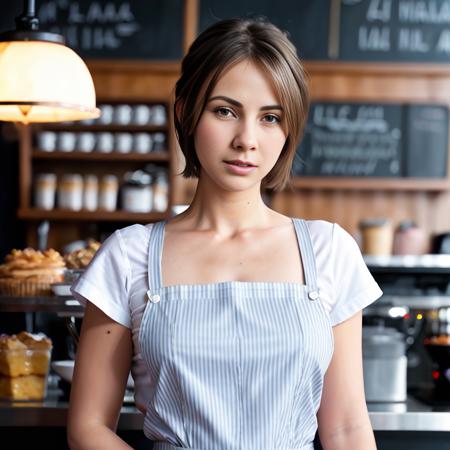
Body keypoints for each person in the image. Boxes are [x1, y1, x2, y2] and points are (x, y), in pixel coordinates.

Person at [67, 18, 382, 450]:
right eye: (225, 111)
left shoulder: (329, 250)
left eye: (270, 117)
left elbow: (346, 429)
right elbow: (88, 427)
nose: (246, 140)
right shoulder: (129, 255)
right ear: (185, 113)